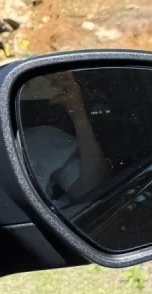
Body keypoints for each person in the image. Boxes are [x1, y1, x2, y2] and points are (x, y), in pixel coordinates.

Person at [21, 71, 110, 211]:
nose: (34, 87)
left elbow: (90, 189)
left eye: (26, 84)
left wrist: (78, 115)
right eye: (24, 85)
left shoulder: (41, 138)